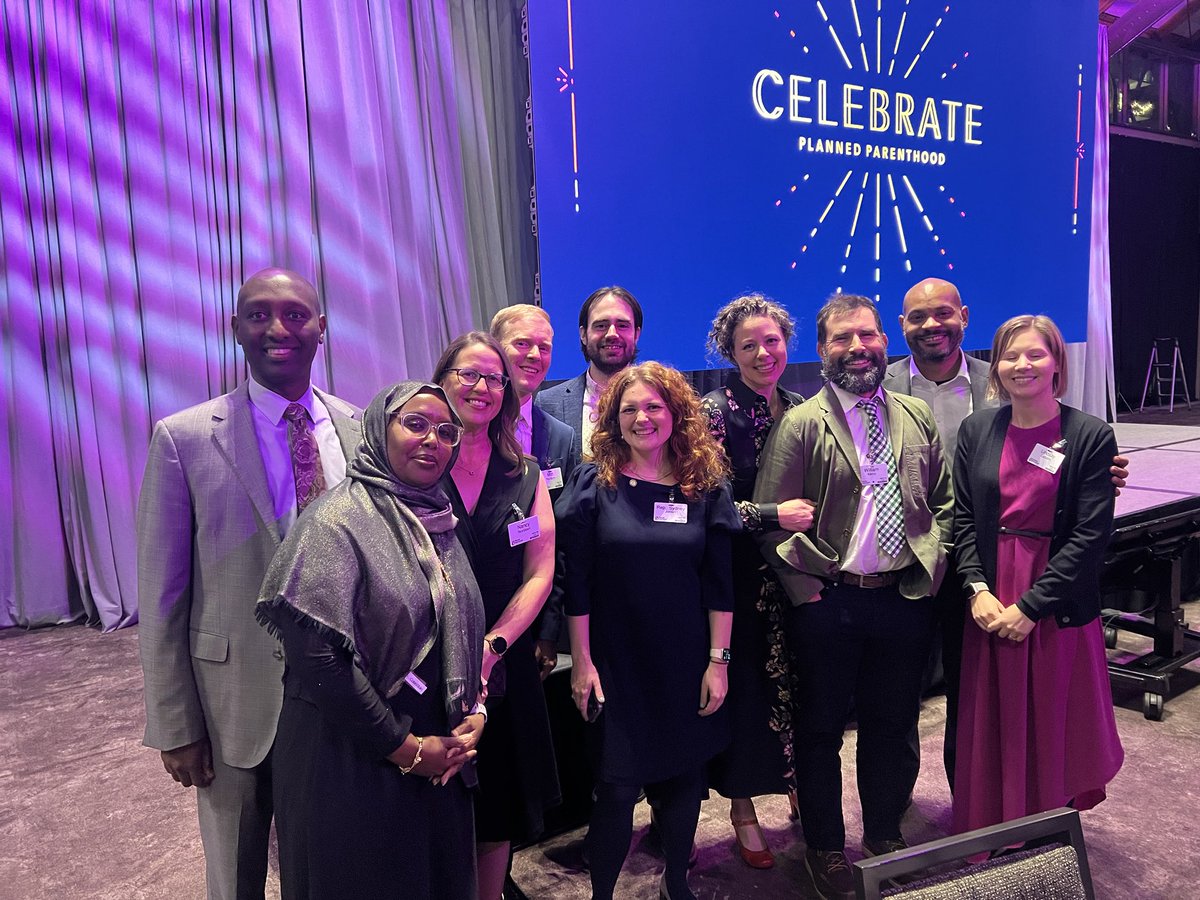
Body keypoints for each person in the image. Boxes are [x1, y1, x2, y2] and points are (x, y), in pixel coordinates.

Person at [137, 267, 361, 900]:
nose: (277, 328)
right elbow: (161, 596)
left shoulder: (360, 426)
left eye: (295, 314)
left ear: (321, 328)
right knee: (236, 878)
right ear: (235, 328)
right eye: (259, 315)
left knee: (333, 869)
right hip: (233, 704)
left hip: (341, 699)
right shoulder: (184, 439)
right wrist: (175, 723)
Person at [886, 277, 1129, 790]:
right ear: (902, 325)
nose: (932, 324)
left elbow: (1073, 497)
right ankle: (894, 805)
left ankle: (974, 798)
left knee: (975, 697)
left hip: (988, 570)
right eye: (918, 316)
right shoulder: (878, 387)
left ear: (964, 317)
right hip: (908, 565)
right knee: (898, 695)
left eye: (943, 312)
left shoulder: (1000, 383)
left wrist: (1092, 477)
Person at [754, 294, 953, 900]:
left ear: (884, 342)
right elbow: (771, 520)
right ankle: (824, 846)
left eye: (866, 335)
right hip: (829, 603)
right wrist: (806, 592)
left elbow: (943, 503)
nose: (857, 347)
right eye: (842, 338)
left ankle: (885, 834)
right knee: (819, 732)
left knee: (892, 725)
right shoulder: (801, 423)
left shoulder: (915, 414)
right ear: (822, 350)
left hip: (903, 598)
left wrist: (932, 570)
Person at [256, 381, 486, 899]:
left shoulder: (440, 518)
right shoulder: (335, 522)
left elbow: (461, 624)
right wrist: (405, 748)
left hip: (438, 749)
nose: (432, 440)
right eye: (415, 424)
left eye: (446, 431)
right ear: (380, 430)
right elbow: (319, 662)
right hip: (352, 757)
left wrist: (476, 708)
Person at [558, 362, 740, 900]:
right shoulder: (594, 484)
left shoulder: (705, 486)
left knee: (685, 781)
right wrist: (582, 662)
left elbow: (720, 585)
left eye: (654, 406)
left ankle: (676, 884)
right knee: (615, 789)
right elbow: (577, 584)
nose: (642, 417)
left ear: (676, 412)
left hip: (686, 661)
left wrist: (719, 663)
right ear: (614, 419)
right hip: (616, 663)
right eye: (630, 408)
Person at [951, 315, 1124, 834]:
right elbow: (963, 519)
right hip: (991, 598)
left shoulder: (1090, 435)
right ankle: (991, 823)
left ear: (1056, 364)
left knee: (1050, 715)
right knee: (994, 718)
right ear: (996, 367)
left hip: (1053, 599)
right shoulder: (977, 429)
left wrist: (1031, 607)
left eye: (1035, 354)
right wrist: (976, 589)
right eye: (1010, 355)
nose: (1022, 365)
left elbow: (1090, 536)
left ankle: (1043, 828)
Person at [432, 332, 560, 900]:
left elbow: (539, 572)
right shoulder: (416, 468)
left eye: (494, 378)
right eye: (469, 374)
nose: (482, 387)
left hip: (502, 662)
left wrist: (494, 646)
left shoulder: (525, 474)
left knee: (498, 802)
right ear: (441, 381)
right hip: (423, 661)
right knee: (432, 798)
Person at [700, 294, 812, 869]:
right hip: (740, 580)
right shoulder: (712, 413)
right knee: (744, 696)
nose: (764, 353)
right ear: (730, 352)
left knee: (801, 689)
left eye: (772, 341)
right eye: (749, 345)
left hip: (799, 574)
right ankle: (742, 811)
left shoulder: (803, 406)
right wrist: (773, 515)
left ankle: (797, 787)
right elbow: (706, 505)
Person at [489, 303, 577, 674]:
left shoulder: (561, 436)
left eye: (544, 347)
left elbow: (562, 541)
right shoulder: (466, 425)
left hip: (534, 610)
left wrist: (549, 630)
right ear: (495, 348)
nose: (535, 355)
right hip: (476, 606)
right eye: (522, 343)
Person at [535, 285, 642, 463]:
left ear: (636, 334)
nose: (612, 334)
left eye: (622, 325)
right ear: (583, 334)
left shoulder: (663, 401)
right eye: (601, 325)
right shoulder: (548, 404)